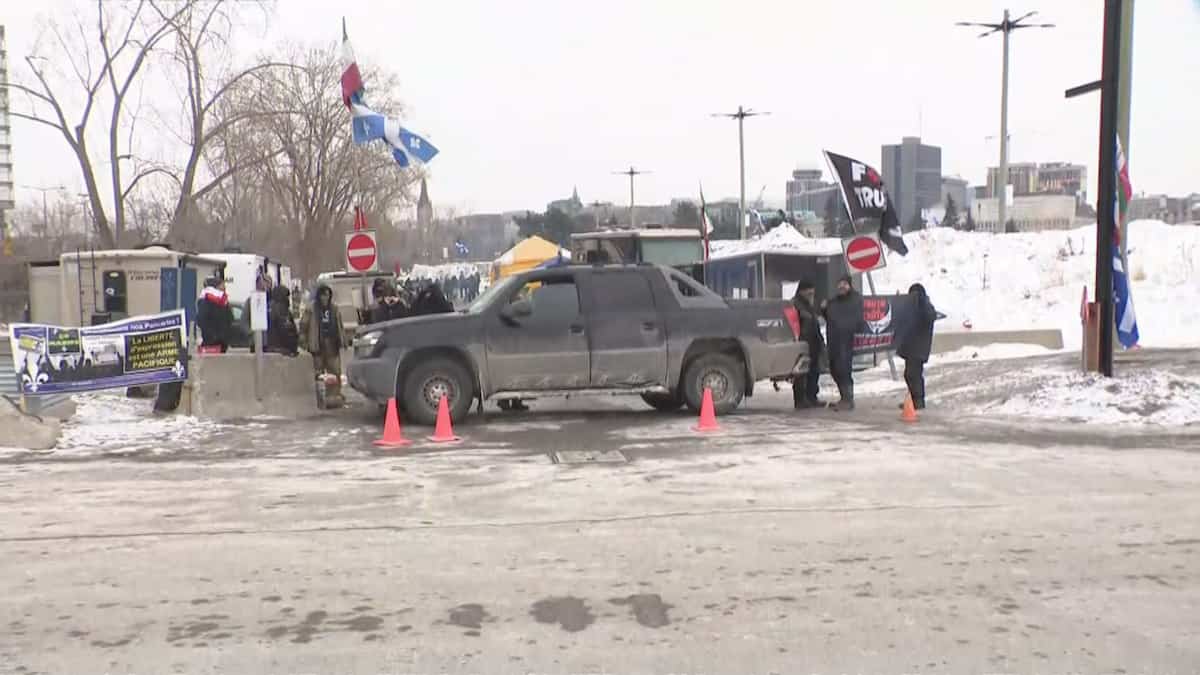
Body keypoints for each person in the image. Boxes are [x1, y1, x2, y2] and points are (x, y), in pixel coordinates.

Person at [822, 274, 866, 411]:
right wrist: (823, 309)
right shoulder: (834, 302)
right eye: (839, 284)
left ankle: (848, 399)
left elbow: (858, 319)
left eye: (844, 284)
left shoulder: (856, 299)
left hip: (846, 341)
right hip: (833, 341)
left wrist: (847, 327)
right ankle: (844, 397)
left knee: (844, 369)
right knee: (835, 369)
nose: (841, 286)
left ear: (849, 285)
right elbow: (828, 317)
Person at [300, 284, 346, 407]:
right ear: (319, 296)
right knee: (318, 373)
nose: (325, 298)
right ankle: (319, 399)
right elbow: (304, 326)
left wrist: (343, 341)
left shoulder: (334, 309)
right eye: (323, 295)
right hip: (317, 345)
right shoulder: (311, 309)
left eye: (327, 295)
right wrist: (303, 342)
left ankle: (333, 398)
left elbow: (340, 326)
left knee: (334, 372)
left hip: (332, 344)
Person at [897, 283, 937, 410]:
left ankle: (918, 401)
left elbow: (930, 316)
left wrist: (922, 303)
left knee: (913, 374)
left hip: (919, 348)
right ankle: (914, 400)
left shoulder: (926, 307)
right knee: (910, 374)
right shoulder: (910, 308)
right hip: (911, 347)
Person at [790, 280, 825, 409]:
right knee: (801, 373)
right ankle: (800, 400)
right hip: (801, 343)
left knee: (813, 372)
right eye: (808, 289)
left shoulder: (809, 305)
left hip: (813, 343)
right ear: (801, 290)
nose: (811, 292)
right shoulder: (794, 304)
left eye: (812, 289)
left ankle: (811, 397)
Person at [196, 277, 233, 352]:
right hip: (211, 342)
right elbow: (201, 321)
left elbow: (230, 318)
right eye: (222, 285)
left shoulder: (223, 301)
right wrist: (215, 336)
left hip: (218, 341)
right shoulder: (206, 301)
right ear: (215, 287)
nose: (224, 287)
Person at [265, 285, 299, 356]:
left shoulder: (269, 307)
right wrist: (293, 347)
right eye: (286, 296)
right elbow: (285, 329)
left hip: (272, 347)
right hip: (281, 348)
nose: (288, 298)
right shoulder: (281, 309)